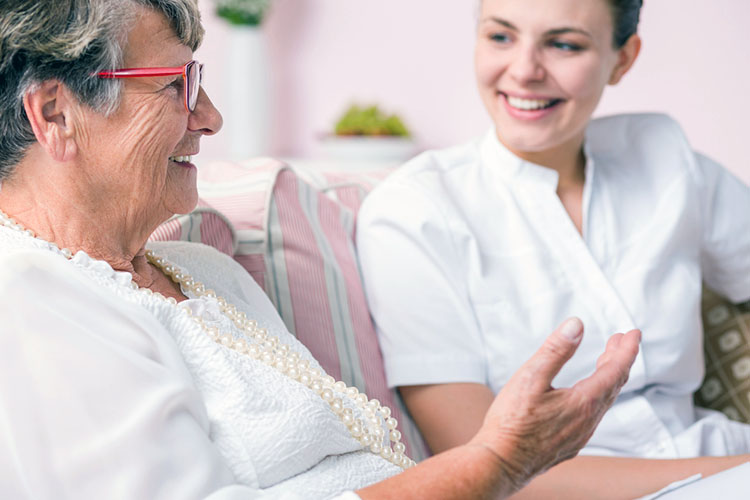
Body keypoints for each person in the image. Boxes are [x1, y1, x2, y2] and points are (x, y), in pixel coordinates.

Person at [0, 1, 643, 499]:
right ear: (55, 114)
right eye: (176, 86)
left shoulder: (207, 272)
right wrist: (499, 461)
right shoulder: (28, 299)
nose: (210, 117)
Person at [356, 0, 750, 497]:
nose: (523, 71)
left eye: (564, 44)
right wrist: (735, 474)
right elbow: (484, 463)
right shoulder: (415, 211)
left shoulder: (664, 156)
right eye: (500, 37)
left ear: (623, 58)